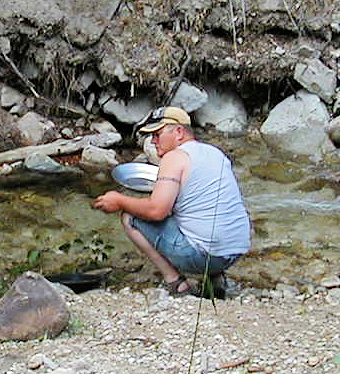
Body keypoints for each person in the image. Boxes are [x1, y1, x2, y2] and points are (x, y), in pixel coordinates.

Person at [93, 106, 250, 297]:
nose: (153, 141)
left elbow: (156, 211)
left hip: (205, 257)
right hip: (236, 251)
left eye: (158, 134)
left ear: (178, 132)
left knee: (129, 217)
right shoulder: (215, 153)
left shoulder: (174, 157)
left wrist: (119, 200)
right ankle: (215, 278)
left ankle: (176, 283)